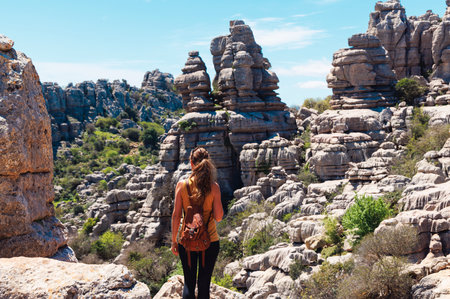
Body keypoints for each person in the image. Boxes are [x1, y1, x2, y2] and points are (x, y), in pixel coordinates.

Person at [171, 147, 224, 299]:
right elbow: (219, 217)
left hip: (186, 240)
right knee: (204, 284)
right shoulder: (214, 187)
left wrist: (174, 241)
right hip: (210, 241)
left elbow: (176, 216)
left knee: (189, 282)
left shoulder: (182, 185)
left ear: (191, 163)